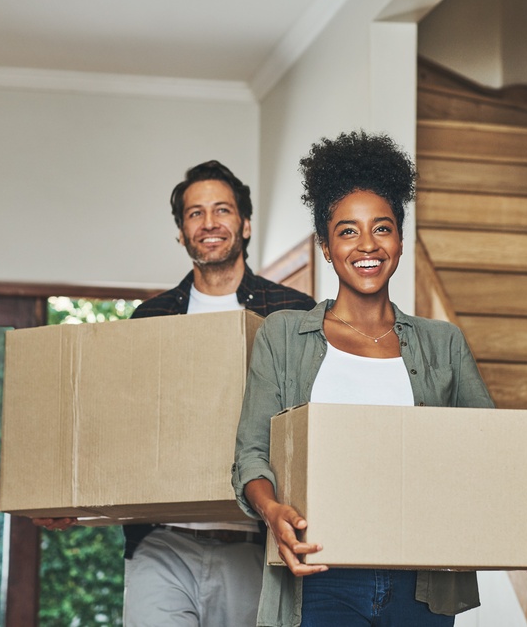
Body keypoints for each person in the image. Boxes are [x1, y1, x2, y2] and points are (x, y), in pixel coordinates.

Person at [232, 131, 527, 627]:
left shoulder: (442, 343)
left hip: (423, 584)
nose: (367, 245)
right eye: (347, 232)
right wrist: (271, 513)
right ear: (325, 247)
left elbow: (496, 453)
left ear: (401, 241)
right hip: (319, 579)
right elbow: (251, 453)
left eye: (381, 228)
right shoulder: (284, 336)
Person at [34, 160, 317, 626]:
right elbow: (119, 424)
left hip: (255, 543)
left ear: (244, 224)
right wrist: (73, 501)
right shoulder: (152, 317)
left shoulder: (292, 313)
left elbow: (308, 424)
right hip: (162, 543)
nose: (209, 224)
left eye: (222, 210)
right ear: (180, 232)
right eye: (195, 214)